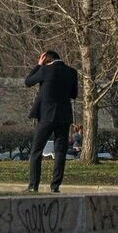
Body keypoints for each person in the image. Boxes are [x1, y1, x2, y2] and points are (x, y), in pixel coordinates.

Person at [25, 49, 79, 193]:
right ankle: (55, 186)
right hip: (64, 117)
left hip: (46, 116)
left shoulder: (45, 70)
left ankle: (33, 186)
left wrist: (38, 65)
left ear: (46, 59)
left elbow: (28, 82)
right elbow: (74, 94)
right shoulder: (72, 72)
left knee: (36, 151)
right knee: (60, 151)